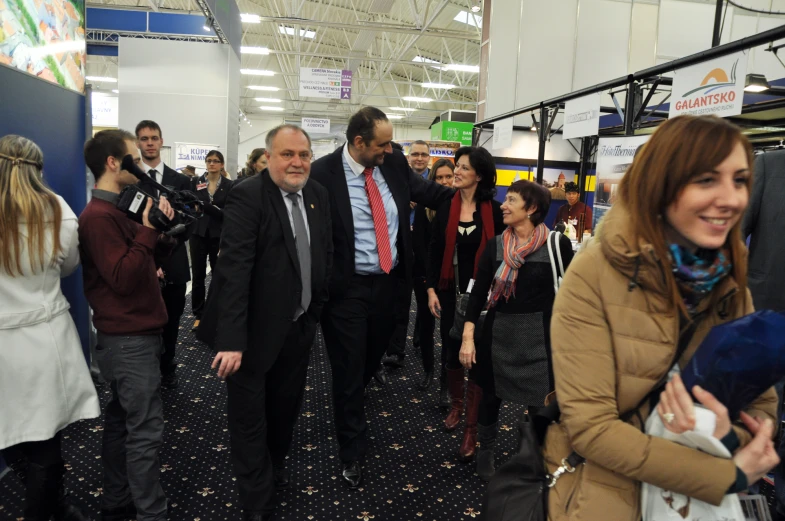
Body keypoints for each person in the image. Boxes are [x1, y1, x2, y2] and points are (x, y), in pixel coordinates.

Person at [546, 115, 780, 520]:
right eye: (707, 180)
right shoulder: (595, 273)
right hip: (610, 498)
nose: (732, 198)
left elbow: (761, 406)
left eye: (740, 180)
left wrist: (725, 434)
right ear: (660, 185)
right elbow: (591, 428)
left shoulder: (729, 281)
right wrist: (725, 476)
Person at [310, 107, 453, 489]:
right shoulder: (322, 174)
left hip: (390, 286)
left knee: (368, 359)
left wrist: (477, 198)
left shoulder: (393, 165)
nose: (391, 149)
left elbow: (432, 194)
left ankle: (354, 391)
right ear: (359, 143)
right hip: (346, 289)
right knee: (348, 366)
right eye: (383, 143)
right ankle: (352, 450)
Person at [196, 125, 332, 521]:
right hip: (251, 334)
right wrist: (232, 339)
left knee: (285, 409)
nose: (297, 162)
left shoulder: (317, 195)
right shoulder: (249, 195)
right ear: (268, 157)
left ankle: (274, 467)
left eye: (304, 154)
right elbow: (233, 271)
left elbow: (325, 252)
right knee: (249, 418)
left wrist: (316, 309)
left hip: (299, 327)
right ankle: (257, 500)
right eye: (288, 154)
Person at [0, 135, 100, 521]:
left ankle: (43, 503)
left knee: (9, 429)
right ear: (37, 168)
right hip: (43, 337)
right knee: (45, 436)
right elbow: (70, 265)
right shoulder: (55, 208)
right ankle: (48, 509)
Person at [80, 129, 176, 521]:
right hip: (128, 339)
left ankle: (117, 500)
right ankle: (151, 513)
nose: (141, 164)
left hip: (132, 334)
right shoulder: (99, 217)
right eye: (133, 158)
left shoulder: (116, 211)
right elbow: (120, 277)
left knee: (123, 422)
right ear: (113, 163)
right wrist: (149, 231)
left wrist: (157, 235)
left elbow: (131, 267)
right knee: (144, 429)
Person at [461, 180, 573, 481]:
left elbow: (570, 296)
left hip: (540, 338)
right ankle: (486, 452)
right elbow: (477, 295)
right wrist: (468, 337)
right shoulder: (496, 245)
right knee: (490, 398)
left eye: (511, 200)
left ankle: (535, 455)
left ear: (532, 208)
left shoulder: (556, 245)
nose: (503, 205)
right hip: (498, 336)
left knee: (540, 404)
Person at [426, 146, 504, 462]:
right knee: (452, 351)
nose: (456, 172)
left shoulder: (497, 212)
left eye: (463, 168)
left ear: (479, 175)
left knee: (481, 361)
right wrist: (431, 289)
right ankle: (457, 405)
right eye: (456, 166)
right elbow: (433, 251)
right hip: (448, 293)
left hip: (484, 298)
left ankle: (471, 429)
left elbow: (502, 257)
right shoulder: (447, 207)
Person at [742, 146, 785, 520]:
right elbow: (732, 237)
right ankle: (745, 496)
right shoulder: (770, 164)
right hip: (768, 317)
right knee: (759, 415)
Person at [136, 120, 193, 389]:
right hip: (141, 262)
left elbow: (192, 221)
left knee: (172, 319)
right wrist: (150, 258)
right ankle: (147, 368)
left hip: (175, 261)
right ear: (138, 142)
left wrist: (166, 247)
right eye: (144, 138)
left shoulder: (180, 181)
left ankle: (168, 364)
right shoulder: (131, 179)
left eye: (154, 138)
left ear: (161, 141)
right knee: (143, 321)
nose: (149, 142)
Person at [383, 140, 436, 370]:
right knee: (401, 301)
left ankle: (419, 339)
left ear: (429, 158)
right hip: (401, 246)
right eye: (415, 154)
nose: (419, 158)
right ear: (408, 157)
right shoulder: (396, 179)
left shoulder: (436, 182)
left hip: (426, 249)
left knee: (425, 301)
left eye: (424, 154)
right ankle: (396, 350)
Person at [412, 159, 454, 395]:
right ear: (433, 180)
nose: (445, 181)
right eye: (440, 178)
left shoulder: (460, 206)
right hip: (425, 273)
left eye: (449, 176)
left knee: (448, 328)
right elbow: (419, 242)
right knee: (426, 323)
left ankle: (446, 378)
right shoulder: (423, 206)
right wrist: (430, 279)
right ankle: (428, 369)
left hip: (449, 275)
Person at [190, 150, 234, 331]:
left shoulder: (230, 185)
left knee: (218, 276)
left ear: (222, 164)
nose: (212, 164)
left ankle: (215, 312)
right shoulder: (196, 183)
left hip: (219, 234)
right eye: (209, 161)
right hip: (198, 233)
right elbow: (190, 206)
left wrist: (208, 208)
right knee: (198, 276)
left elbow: (230, 212)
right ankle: (199, 314)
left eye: (216, 161)